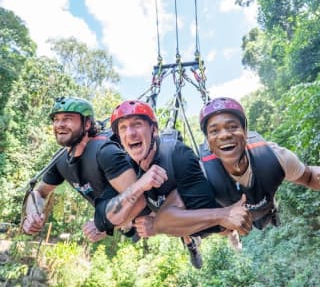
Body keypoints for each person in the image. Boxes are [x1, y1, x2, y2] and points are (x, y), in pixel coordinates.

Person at [95, 100, 253, 268]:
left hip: (206, 218)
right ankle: (188, 239)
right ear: (119, 137)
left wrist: (157, 225)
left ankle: (206, 239)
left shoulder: (178, 155)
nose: (130, 133)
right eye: (123, 128)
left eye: (137, 124)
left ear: (154, 130)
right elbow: (103, 218)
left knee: (220, 229)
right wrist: (139, 185)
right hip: (171, 213)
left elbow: (206, 227)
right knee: (159, 214)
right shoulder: (127, 166)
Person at [22, 96, 167, 242]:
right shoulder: (60, 160)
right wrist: (32, 215)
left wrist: (103, 226)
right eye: (56, 119)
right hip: (120, 219)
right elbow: (39, 193)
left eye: (67, 119)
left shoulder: (105, 152)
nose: (59, 124)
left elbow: (140, 199)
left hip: (150, 216)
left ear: (87, 124)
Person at [198, 96, 320, 230]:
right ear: (208, 142)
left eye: (232, 127)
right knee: (223, 230)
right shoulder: (201, 174)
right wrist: (220, 216)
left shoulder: (274, 157)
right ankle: (231, 234)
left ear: (245, 132)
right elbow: (173, 217)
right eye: (214, 131)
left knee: (263, 218)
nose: (224, 135)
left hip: (265, 209)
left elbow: (309, 176)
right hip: (228, 221)